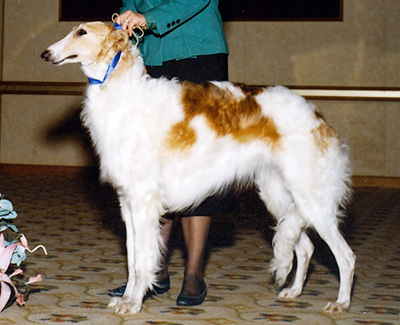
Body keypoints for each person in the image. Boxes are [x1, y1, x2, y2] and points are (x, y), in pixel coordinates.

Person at [108, 0, 232, 307]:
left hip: (198, 54)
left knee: (198, 166)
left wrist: (147, 18)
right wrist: (124, 25)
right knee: (153, 166)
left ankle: (193, 273)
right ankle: (153, 270)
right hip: (152, 55)